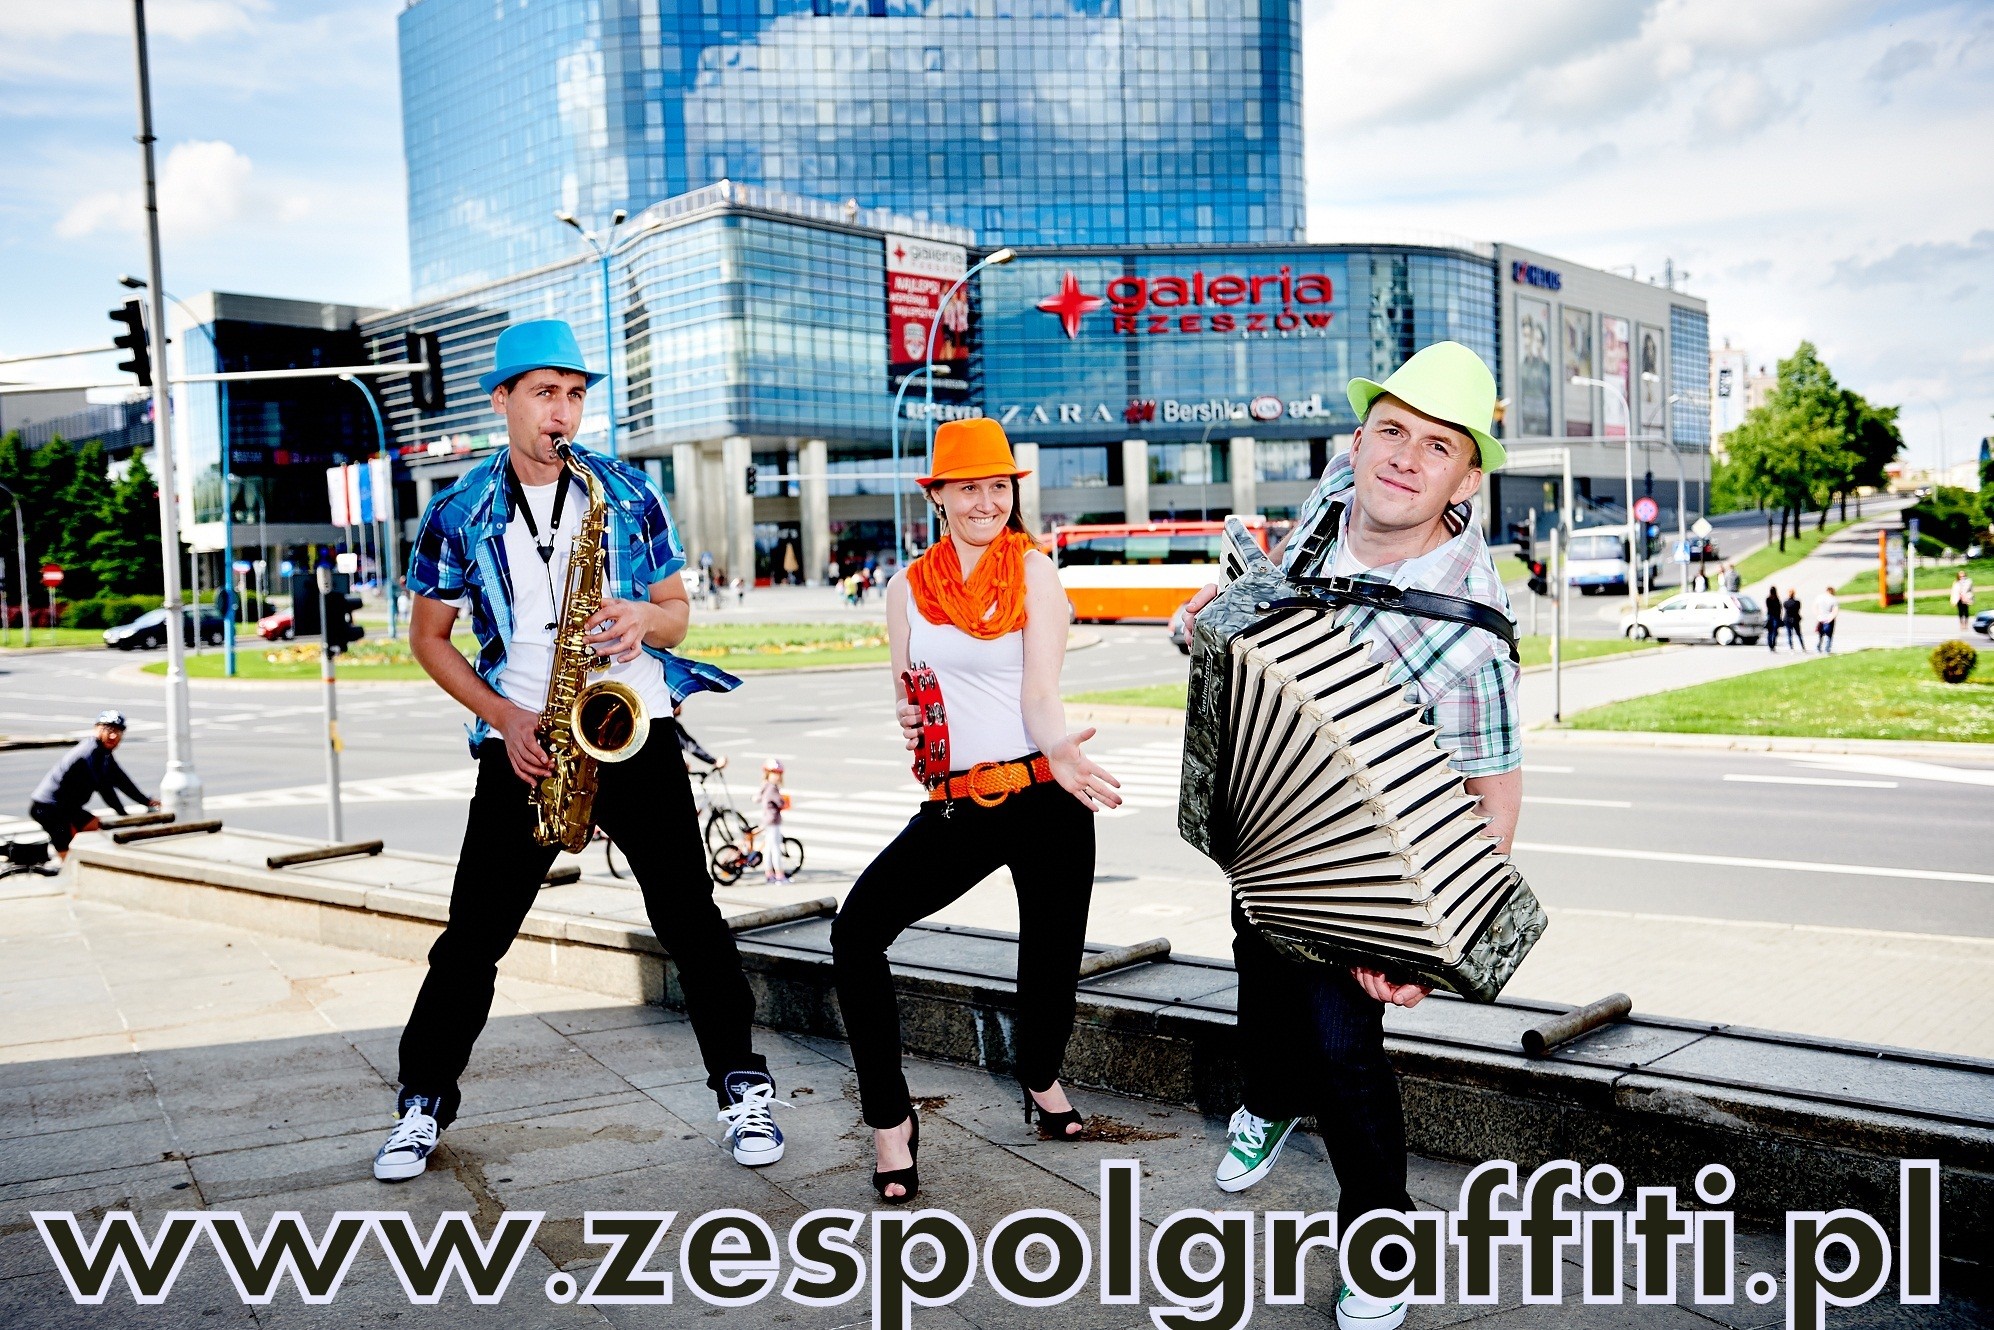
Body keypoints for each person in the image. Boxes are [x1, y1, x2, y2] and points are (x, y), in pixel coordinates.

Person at [374, 320, 787, 1183]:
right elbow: (428, 637)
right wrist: (504, 717)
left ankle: (742, 1087)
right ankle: (422, 1103)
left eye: (573, 394)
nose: (562, 412)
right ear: (502, 401)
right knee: (473, 937)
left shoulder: (625, 492)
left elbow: (677, 612)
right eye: (543, 393)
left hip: (631, 724)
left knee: (691, 921)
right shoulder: (456, 512)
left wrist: (646, 618)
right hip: (528, 740)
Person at [1178, 342, 1521, 1330]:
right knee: (1253, 962)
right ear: (1358, 438)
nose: (1404, 457)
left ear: (1466, 479)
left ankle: (1380, 1240)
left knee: (1342, 1048)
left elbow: (1492, 797)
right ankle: (1268, 1099)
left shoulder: (1470, 631)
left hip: (1361, 870)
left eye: (1438, 446)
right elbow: (1261, 610)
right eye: (1390, 430)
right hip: (1265, 823)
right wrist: (1215, 621)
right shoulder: (1336, 495)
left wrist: (1429, 944)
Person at [830, 418, 1121, 1205]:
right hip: (960, 802)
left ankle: (1040, 1078)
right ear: (940, 496)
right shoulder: (904, 589)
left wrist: (1060, 750)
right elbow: (908, 692)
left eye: (999, 486)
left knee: (1051, 966)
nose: (986, 501)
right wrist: (909, 718)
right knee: (856, 934)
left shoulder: (1034, 572)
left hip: (1046, 792)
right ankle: (890, 1121)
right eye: (969, 488)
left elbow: (1038, 692)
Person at [28, 711, 159, 861]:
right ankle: (69, 871)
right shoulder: (90, 753)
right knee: (70, 856)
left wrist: (146, 801)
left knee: (93, 829)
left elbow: (121, 780)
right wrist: (123, 814)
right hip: (49, 808)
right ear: (96, 729)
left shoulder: (103, 752)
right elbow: (104, 788)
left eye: (118, 731)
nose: (113, 736)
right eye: (108, 730)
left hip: (66, 808)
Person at [757, 758, 790, 884]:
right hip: (773, 821)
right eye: (774, 773)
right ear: (767, 773)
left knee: (768, 848)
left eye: (778, 774)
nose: (777, 776)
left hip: (767, 820)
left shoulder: (765, 786)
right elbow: (780, 802)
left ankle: (769, 874)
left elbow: (757, 798)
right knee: (775, 848)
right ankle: (779, 875)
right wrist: (784, 802)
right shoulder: (772, 788)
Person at [1811, 586, 1840, 654]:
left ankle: (1818, 648)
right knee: (1829, 635)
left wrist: (1817, 616)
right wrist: (1831, 618)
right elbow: (1835, 611)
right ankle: (1827, 649)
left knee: (1820, 635)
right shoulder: (1833, 599)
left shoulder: (1819, 597)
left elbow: (1814, 607)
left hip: (1821, 618)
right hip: (1829, 619)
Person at [1764, 586, 1781, 651]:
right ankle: (1772, 644)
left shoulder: (1768, 599)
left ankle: (1771, 644)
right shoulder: (1776, 599)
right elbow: (1779, 608)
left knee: (1770, 631)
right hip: (1774, 616)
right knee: (1773, 631)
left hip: (1770, 616)